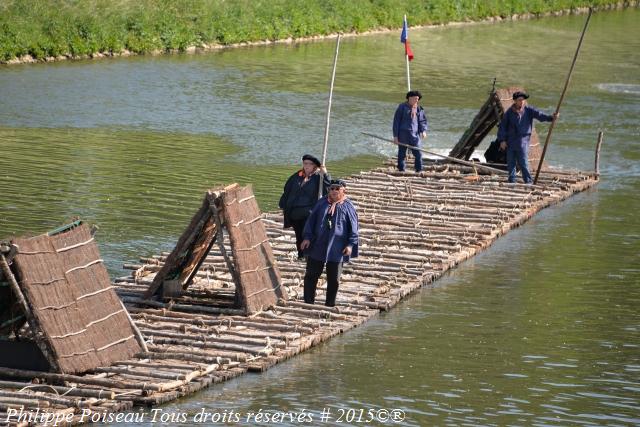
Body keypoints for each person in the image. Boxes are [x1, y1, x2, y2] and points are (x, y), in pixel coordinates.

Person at [300, 179, 358, 307]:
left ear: (344, 190)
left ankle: (329, 304)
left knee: (334, 279)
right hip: (318, 244)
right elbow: (311, 222)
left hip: (338, 247)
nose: (334, 191)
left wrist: (350, 245)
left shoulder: (348, 207)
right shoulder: (321, 203)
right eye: (332, 188)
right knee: (311, 274)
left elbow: (353, 228)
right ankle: (308, 302)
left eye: (337, 189)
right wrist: (307, 238)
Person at [497, 91, 558, 184]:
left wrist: (551, 117)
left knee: (523, 163)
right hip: (511, 141)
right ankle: (512, 181)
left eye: (523, 100)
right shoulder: (509, 113)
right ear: (515, 101)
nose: (522, 102)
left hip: (523, 141)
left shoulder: (529, 110)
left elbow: (540, 115)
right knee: (511, 163)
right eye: (519, 100)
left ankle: (528, 182)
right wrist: (502, 140)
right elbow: (502, 127)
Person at [279, 154, 331, 259]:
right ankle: (301, 255)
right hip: (294, 213)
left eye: (310, 164)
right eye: (305, 163)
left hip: (309, 213)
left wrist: (325, 174)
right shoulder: (296, 176)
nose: (307, 166)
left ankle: (309, 256)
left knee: (308, 234)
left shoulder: (318, 178)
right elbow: (287, 191)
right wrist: (283, 204)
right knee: (299, 235)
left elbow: (329, 187)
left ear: (315, 166)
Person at [392, 90, 428, 172]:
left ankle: (419, 170)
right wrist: (395, 136)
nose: (417, 100)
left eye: (418, 99)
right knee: (402, 154)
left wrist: (423, 131)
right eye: (415, 98)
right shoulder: (401, 107)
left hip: (414, 135)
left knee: (418, 153)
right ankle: (401, 170)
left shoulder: (419, 109)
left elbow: (422, 121)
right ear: (410, 98)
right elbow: (396, 122)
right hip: (403, 135)